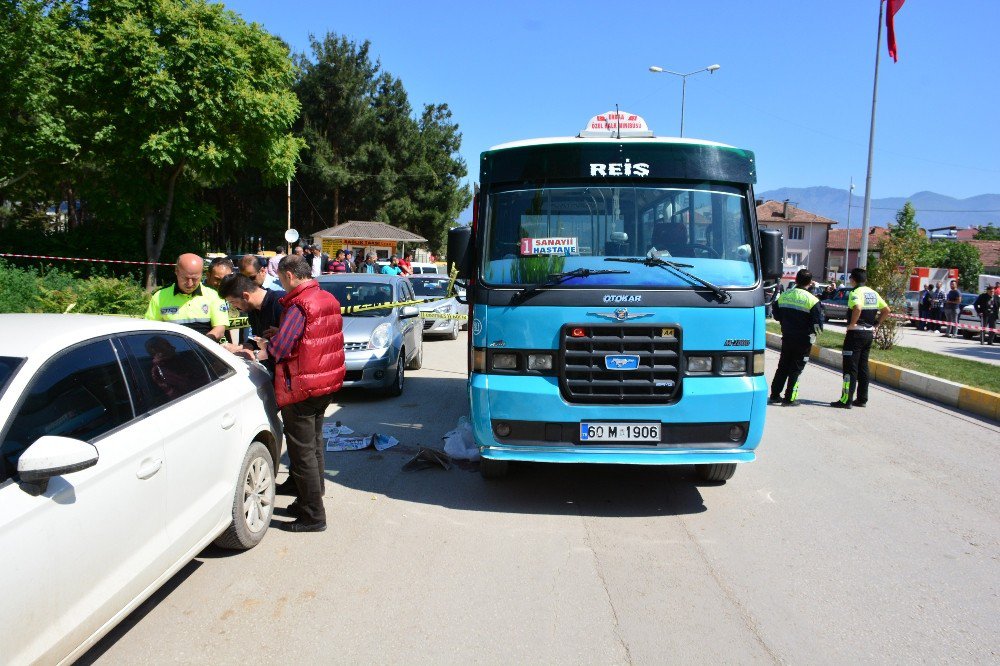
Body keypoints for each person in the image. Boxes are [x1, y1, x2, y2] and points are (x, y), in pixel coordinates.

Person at [258, 254, 345, 533]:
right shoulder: (325, 298)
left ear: (290, 276)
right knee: (315, 445)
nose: (281, 284)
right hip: (324, 383)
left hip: (302, 387)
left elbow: (282, 349)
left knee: (302, 452)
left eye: (281, 278)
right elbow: (310, 338)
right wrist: (280, 331)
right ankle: (310, 499)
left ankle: (313, 515)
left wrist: (262, 346)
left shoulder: (298, 304)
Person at [830, 267, 890, 409]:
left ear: (853, 280)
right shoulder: (873, 293)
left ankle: (846, 400)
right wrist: (876, 324)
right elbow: (886, 310)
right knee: (863, 367)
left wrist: (852, 324)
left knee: (850, 367)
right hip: (868, 333)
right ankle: (862, 399)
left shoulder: (855, 292)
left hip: (855, 334)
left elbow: (857, 308)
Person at [145, 254, 229, 342]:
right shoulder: (159, 296)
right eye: (185, 278)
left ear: (202, 274)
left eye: (195, 279)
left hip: (203, 351)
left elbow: (220, 329)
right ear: (176, 271)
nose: (190, 284)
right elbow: (150, 330)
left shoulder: (214, 296)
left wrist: (203, 344)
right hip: (171, 352)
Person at [769, 269, 823, 406]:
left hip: (787, 336)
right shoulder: (813, 300)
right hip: (803, 340)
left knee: (782, 367)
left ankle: (775, 395)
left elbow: (776, 314)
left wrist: (785, 323)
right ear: (810, 283)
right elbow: (818, 326)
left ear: (796, 280)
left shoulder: (785, 295)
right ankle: (790, 398)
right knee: (796, 369)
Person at [218, 274, 286, 369]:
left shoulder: (281, 302)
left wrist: (255, 354)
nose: (234, 307)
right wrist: (240, 348)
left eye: (233, 302)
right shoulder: (252, 309)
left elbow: (292, 345)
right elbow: (258, 340)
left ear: (246, 296)